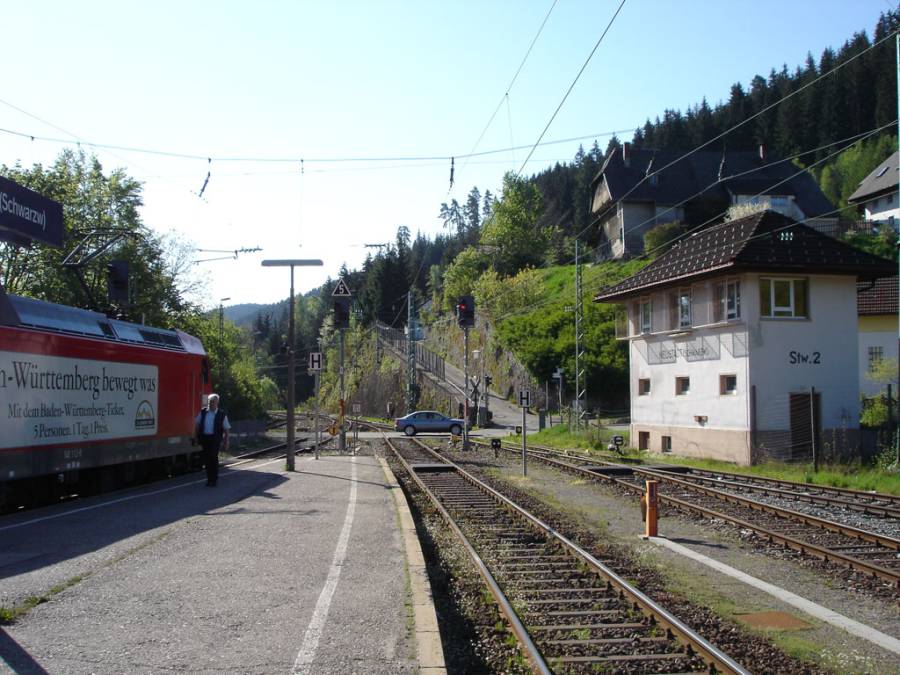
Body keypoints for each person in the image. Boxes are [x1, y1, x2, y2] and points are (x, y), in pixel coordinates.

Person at [194, 393, 230, 487]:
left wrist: (226, 441)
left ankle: (214, 479)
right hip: (205, 438)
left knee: (213, 458)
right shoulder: (203, 412)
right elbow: (197, 424)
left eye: (213, 402)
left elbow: (226, 429)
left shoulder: (221, 414)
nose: (210, 403)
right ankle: (209, 479)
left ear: (217, 402)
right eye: (209, 402)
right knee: (207, 460)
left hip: (215, 439)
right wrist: (196, 436)